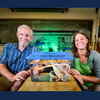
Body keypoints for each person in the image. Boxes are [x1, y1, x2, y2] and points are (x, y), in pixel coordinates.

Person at [0, 25, 39, 91]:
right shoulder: (8, 47)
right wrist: (12, 77)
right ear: (17, 35)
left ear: (31, 38)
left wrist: (23, 76)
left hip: (25, 79)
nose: (24, 37)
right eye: (21, 34)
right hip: (7, 77)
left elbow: (37, 67)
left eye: (27, 35)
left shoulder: (35, 49)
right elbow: (1, 65)